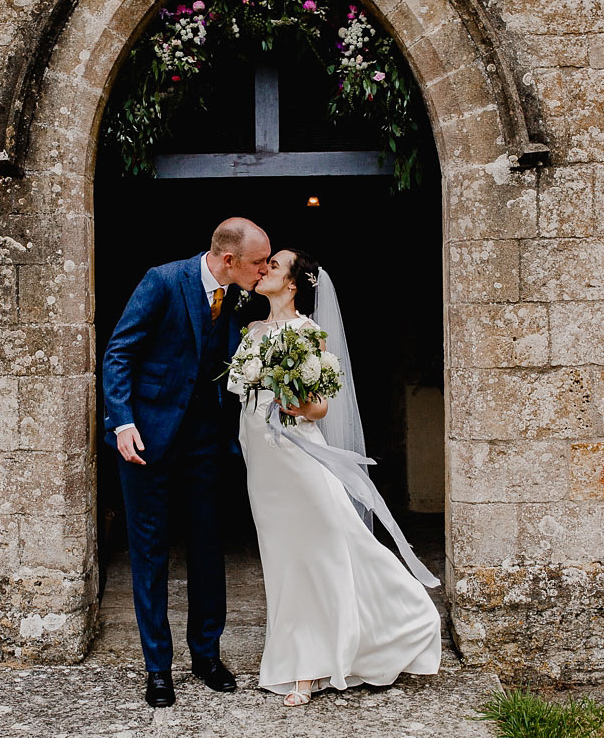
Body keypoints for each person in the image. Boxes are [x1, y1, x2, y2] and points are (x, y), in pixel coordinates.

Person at [227, 248, 441, 707]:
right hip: (264, 465)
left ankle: (316, 662)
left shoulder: (309, 334)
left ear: (292, 284)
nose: (264, 270)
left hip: (299, 455)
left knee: (325, 550)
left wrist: (290, 403)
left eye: (275, 266)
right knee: (283, 558)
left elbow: (320, 407)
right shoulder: (252, 332)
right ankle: (296, 653)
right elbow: (242, 395)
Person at [102, 217, 271, 708]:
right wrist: (122, 421)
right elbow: (119, 353)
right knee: (149, 554)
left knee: (207, 549)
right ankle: (158, 668)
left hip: (206, 443)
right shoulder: (162, 281)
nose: (264, 269)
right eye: (259, 262)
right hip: (147, 440)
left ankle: (207, 655)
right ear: (228, 260)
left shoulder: (242, 296)